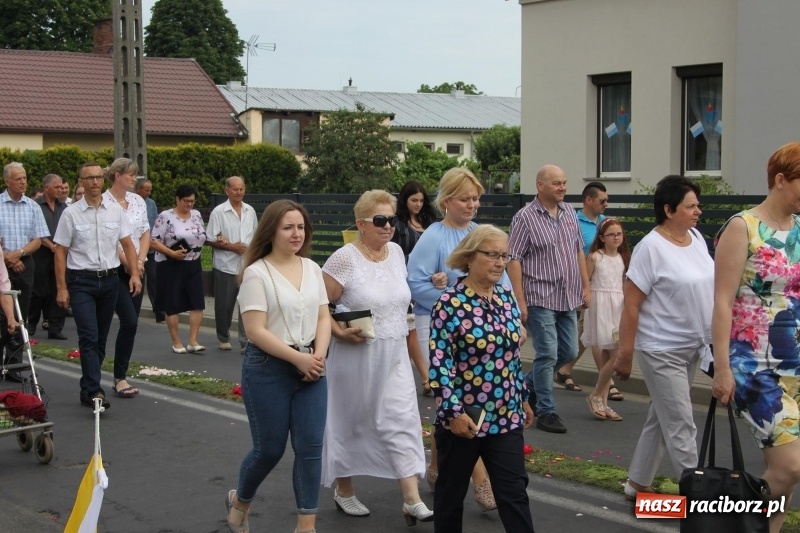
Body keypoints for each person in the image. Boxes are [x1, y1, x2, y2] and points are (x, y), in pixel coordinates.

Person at [322, 190, 433, 525]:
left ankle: (411, 498)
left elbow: (403, 305)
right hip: (356, 356)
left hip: (395, 353)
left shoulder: (396, 252)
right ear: (361, 224)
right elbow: (319, 305)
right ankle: (344, 490)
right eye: (380, 220)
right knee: (351, 421)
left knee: (401, 419)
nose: (388, 226)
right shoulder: (343, 258)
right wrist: (338, 332)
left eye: (392, 219)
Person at [711, 141, 800, 533]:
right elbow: (722, 301)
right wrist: (722, 368)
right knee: (791, 465)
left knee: (783, 471)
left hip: (795, 360)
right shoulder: (742, 227)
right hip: (753, 363)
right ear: (780, 179)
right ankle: (728, 523)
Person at [226, 200, 330, 533]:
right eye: (288, 227)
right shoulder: (256, 273)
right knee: (269, 450)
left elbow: (323, 316)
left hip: (312, 366)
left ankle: (306, 526)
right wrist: (298, 358)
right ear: (271, 231)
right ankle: (240, 501)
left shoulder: (312, 268)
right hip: (268, 368)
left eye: (300, 227)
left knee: (311, 449)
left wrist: (317, 356)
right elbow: (255, 331)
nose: (296, 233)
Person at [429, 225, 534, 533]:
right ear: (470, 257)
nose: (500, 263)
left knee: (514, 492)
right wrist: (453, 413)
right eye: (492, 255)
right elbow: (440, 364)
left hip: (506, 414)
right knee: (451, 494)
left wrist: (523, 397)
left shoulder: (504, 296)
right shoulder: (449, 303)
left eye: (504, 256)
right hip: (466, 417)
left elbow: (511, 355)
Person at [613, 175, 713, 500]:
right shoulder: (650, 248)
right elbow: (631, 304)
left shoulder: (695, 238)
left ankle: (637, 484)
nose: (698, 211)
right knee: (681, 422)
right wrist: (624, 354)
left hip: (692, 347)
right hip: (661, 350)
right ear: (669, 210)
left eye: (698, 205)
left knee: (662, 416)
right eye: (691, 206)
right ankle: (698, 498)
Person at [407, 167, 498, 511]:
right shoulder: (433, 236)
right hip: (438, 327)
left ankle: (435, 466)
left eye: (476, 199)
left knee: (460, 400)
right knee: (457, 397)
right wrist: (454, 300)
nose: (472, 205)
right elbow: (415, 284)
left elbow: (499, 279)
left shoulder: (480, 234)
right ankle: (482, 481)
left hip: (479, 332)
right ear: (446, 201)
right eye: (465, 199)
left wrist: (509, 318)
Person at [507, 164, 590, 434]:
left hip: (567, 296)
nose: (563, 187)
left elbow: (578, 251)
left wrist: (585, 286)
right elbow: (514, 259)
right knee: (547, 354)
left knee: (570, 352)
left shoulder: (570, 213)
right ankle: (546, 411)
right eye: (557, 183)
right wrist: (520, 301)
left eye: (564, 182)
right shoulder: (525, 217)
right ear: (540, 185)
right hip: (539, 297)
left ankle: (523, 388)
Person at [53, 161, 142, 410]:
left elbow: (127, 244)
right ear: (81, 182)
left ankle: (87, 387)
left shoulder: (115, 211)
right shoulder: (71, 213)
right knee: (89, 336)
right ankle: (95, 391)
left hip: (110, 280)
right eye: (89, 178)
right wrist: (62, 287)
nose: (94, 182)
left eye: (98, 177)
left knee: (101, 337)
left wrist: (134, 274)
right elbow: (60, 252)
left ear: (103, 180)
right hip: (81, 281)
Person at [556, 182, 617, 397]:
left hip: (605, 285)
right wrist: (582, 285)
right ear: (588, 200)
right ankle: (607, 382)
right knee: (597, 331)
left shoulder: (605, 223)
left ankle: (564, 369)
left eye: (607, 200)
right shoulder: (574, 222)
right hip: (584, 285)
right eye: (602, 200)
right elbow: (569, 254)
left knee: (586, 330)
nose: (606, 204)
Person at [102, 158, 151, 398]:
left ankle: (120, 376)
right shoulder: (104, 202)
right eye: (130, 174)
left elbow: (145, 232)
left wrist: (139, 263)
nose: (134, 178)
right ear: (117, 175)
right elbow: (111, 240)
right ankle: (106, 376)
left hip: (138, 268)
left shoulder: (137, 201)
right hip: (116, 269)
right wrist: (130, 266)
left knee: (131, 325)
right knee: (128, 320)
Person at [0, 162, 50, 382]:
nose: (23, 182)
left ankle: (14, 366)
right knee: (2, 316)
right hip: (1, 262)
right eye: (18, 178)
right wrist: (7, 258)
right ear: (7, 181)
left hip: (25, 262)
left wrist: (18, 254)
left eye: (25, 178)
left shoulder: (32, 206)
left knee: (22, 312)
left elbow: (38, 239)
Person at [391, 180, 438, 394]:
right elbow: (393, 253)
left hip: (430, 283)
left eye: (421, 200)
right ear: (405, 200)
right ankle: (427, 377)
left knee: (420, 331)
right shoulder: (397, 224)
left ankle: (429, 376)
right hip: (404, 281)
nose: (418, 204)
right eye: (413, 200)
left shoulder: (430, 222)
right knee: (411, 330)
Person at [149, 184, 208, 353]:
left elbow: (202, 235)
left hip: (193, 262)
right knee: (172, 303)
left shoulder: (196, 215)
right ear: (177, 199)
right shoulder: (165, 216)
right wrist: (172, 253)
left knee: (197, 302)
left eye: (192, 201)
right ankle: (176, 342)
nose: (189, 204)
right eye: (186, 201)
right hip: (171, 264)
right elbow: (154, 241)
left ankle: (193, 340)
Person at [581, 218, 630, 422]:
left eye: (619, 234)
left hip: (617, 306)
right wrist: (584, 300)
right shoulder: (595, 257)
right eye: (611, 235)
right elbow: (585, 281)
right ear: (602, 238)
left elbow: (624, 283)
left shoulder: (623, 258)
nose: (616, 238)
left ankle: (601, 399)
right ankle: (596, 395)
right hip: (600, 306)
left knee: (608, 352)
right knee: (615, 353)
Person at [206, 176, 257, 353]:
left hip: (247, 266)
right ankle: (223, 337)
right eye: (235, 189)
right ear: (227, 190)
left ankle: (245, 340)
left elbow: (255, 235)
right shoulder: (219, 212)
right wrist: (231, 247)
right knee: (224, 305)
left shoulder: (250, 211)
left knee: (247, 304)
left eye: (241, 189)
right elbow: (209, 239)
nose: (239, 192)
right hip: (225, 265)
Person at [28, 173, 67, 340]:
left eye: (61, 187)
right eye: (56, 187)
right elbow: (33, 230)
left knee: (58, 290)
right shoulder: (34, 206)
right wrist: (51, 245)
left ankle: (55, 328)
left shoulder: (64, 207)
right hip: (41, 256)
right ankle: (30, 325)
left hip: (60, 256)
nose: (60, 190)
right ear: (46, 188)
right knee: (38, 292)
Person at [135, 177, 163, 323]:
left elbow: (156, 222)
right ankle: (134, 312)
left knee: (155, 279)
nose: (149, 193)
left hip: (151, 249)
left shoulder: (151, 203)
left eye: (150, 190)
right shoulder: (131, 203)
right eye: (146, 190)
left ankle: (159, 311)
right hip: (136, 250)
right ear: (138, 189)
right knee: (138, 279)